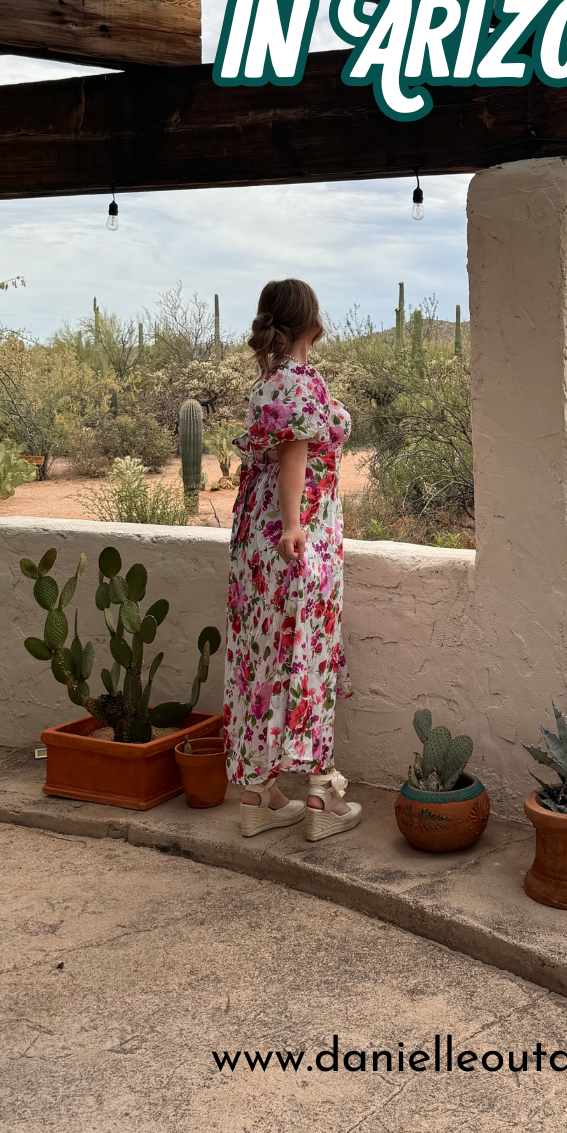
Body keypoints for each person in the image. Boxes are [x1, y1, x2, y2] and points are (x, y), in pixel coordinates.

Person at [225, 278, 361, 842]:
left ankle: (260, 795)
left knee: (261, 657)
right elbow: (294, 461)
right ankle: (320, 796)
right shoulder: (302, 382)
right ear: (312, 321)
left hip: (256, 542)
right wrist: (295, 527)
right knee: (307, 651)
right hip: (298, 541)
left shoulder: (270, 384)